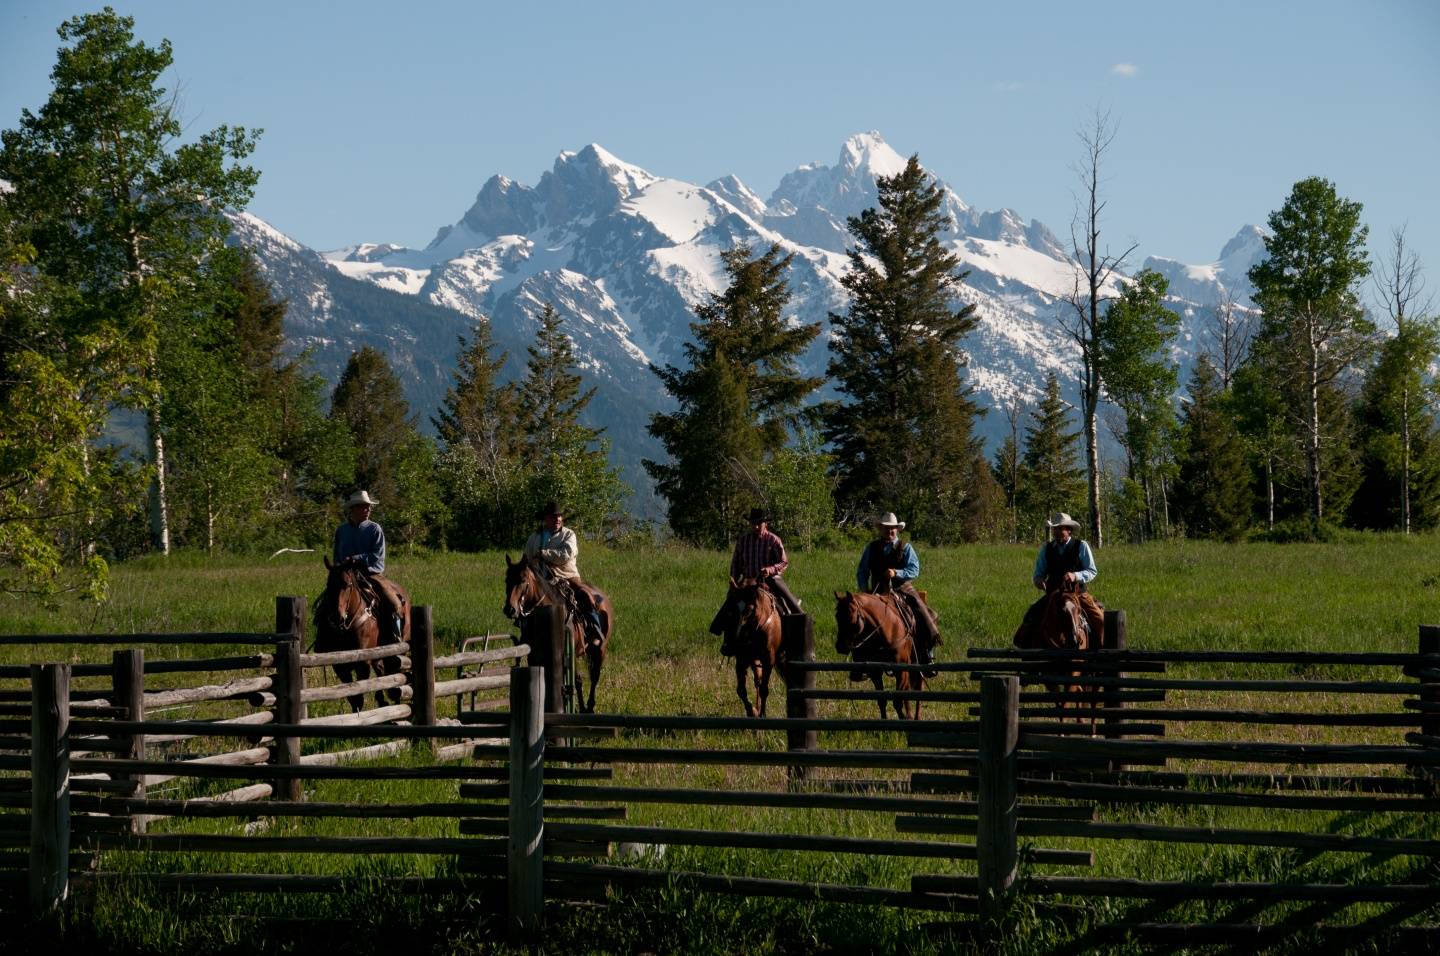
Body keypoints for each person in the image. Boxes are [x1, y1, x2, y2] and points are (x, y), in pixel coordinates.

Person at [710, 508, 801, 655]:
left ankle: (793, 637)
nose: (756, 526)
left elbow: (783, 562)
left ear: (765, 523)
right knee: (731, 608)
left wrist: (770, 570)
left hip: (767, 583)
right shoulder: (743, 541)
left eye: (759, 523)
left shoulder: (773, 540)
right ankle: (728, 642)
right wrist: (734, 580)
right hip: (747, 584)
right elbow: (736, 563)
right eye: (753, 523)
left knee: (785, 609)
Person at [856, 513, 940, 669]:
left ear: (897, 529)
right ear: (881, 529)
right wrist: (865, 590)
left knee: (928, 615)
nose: (890, 531)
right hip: (878, 591)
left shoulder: (905, 547)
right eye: (887, 528)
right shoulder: (872, 548)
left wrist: (897, 573)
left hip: (903, 589)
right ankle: (861, 664)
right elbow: (862, 571)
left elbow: (914, 570)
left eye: (892, 528)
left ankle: (927, 655)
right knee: (856, 619)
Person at [1013, 512, 1106, 646]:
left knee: (1099, 619)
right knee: (1030, 616)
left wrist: (1076, 576)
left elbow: (1092, 571)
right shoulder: (1047, 549)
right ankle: (1026, 652)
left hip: (1077, 594)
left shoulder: (1081, 546)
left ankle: (1101, 654)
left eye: (1060, 529)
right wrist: (1038, 580)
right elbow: (1039, 573)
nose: (1056, 532)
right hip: (1053, 595)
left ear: (1069, 530)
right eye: (1054, 529)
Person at [522, 501, 604, 646]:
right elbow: (527, 558)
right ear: (546, 519)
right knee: (523, 599)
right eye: (554, 517)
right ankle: (525, 633)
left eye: (559, 516)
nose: (558, 519)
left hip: (567, 576)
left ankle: (594, 629)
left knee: (584, 596)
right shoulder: (534, 538)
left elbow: (566, 554)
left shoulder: (569, 535)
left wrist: (544, 554)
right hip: (540, 579)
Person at [332, 490, 406, 639]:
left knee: (392, 602)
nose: (368, 510)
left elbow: (377, 555)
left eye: (369, 507)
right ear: (353, 509)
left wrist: (355, 559)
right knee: (326, 603)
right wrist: (340, 567)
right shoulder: (341, 531)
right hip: (346, 575)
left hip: (371, 574)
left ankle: (396, 637)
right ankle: (324, 640)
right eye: (364, 507)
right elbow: (337, 557)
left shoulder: (374, 529)